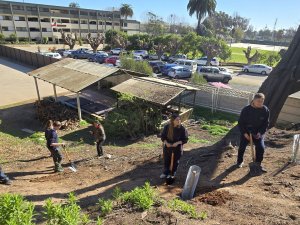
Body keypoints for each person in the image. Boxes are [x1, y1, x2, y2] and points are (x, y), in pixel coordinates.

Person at [237, 93, 270, 172]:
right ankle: (239, 161)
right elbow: (241, 123)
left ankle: (258, 163)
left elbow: (266, 123)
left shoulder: (265, 110)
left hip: (258, 133)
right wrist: (245, 133)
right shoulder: (246, 109)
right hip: (247, 132)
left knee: (261, 148)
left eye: (262, 101)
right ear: (254, 100)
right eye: (258, 101)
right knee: (242, 147)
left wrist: (260, 133)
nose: (260, 103)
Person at [160, 113, 189, 180]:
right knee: (166, 161)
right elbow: (163, 137)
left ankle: (172, 174)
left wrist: (177, 143)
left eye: (179, 119)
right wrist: (166, 143)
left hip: (177, 148)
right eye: (177, 120)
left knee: (175, 162)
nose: (179, 121)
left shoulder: (182, 129)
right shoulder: (167, 127)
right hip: (167, 147)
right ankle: (165, 173)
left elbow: (185, 139)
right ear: (172, 121)